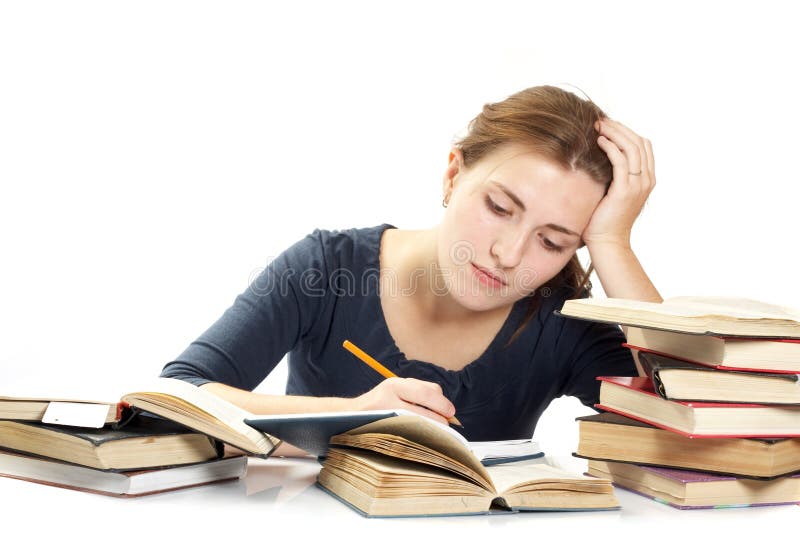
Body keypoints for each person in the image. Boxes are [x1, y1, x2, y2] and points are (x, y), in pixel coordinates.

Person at [161, 85, 661, 441]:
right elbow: (173, 395)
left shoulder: (561, 320)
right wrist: (348, 416)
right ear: (452, 174)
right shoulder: (328, 269)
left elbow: (688, 415)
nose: (508, 256)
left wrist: (613, 242)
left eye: (552, 242)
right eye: (499, 208)